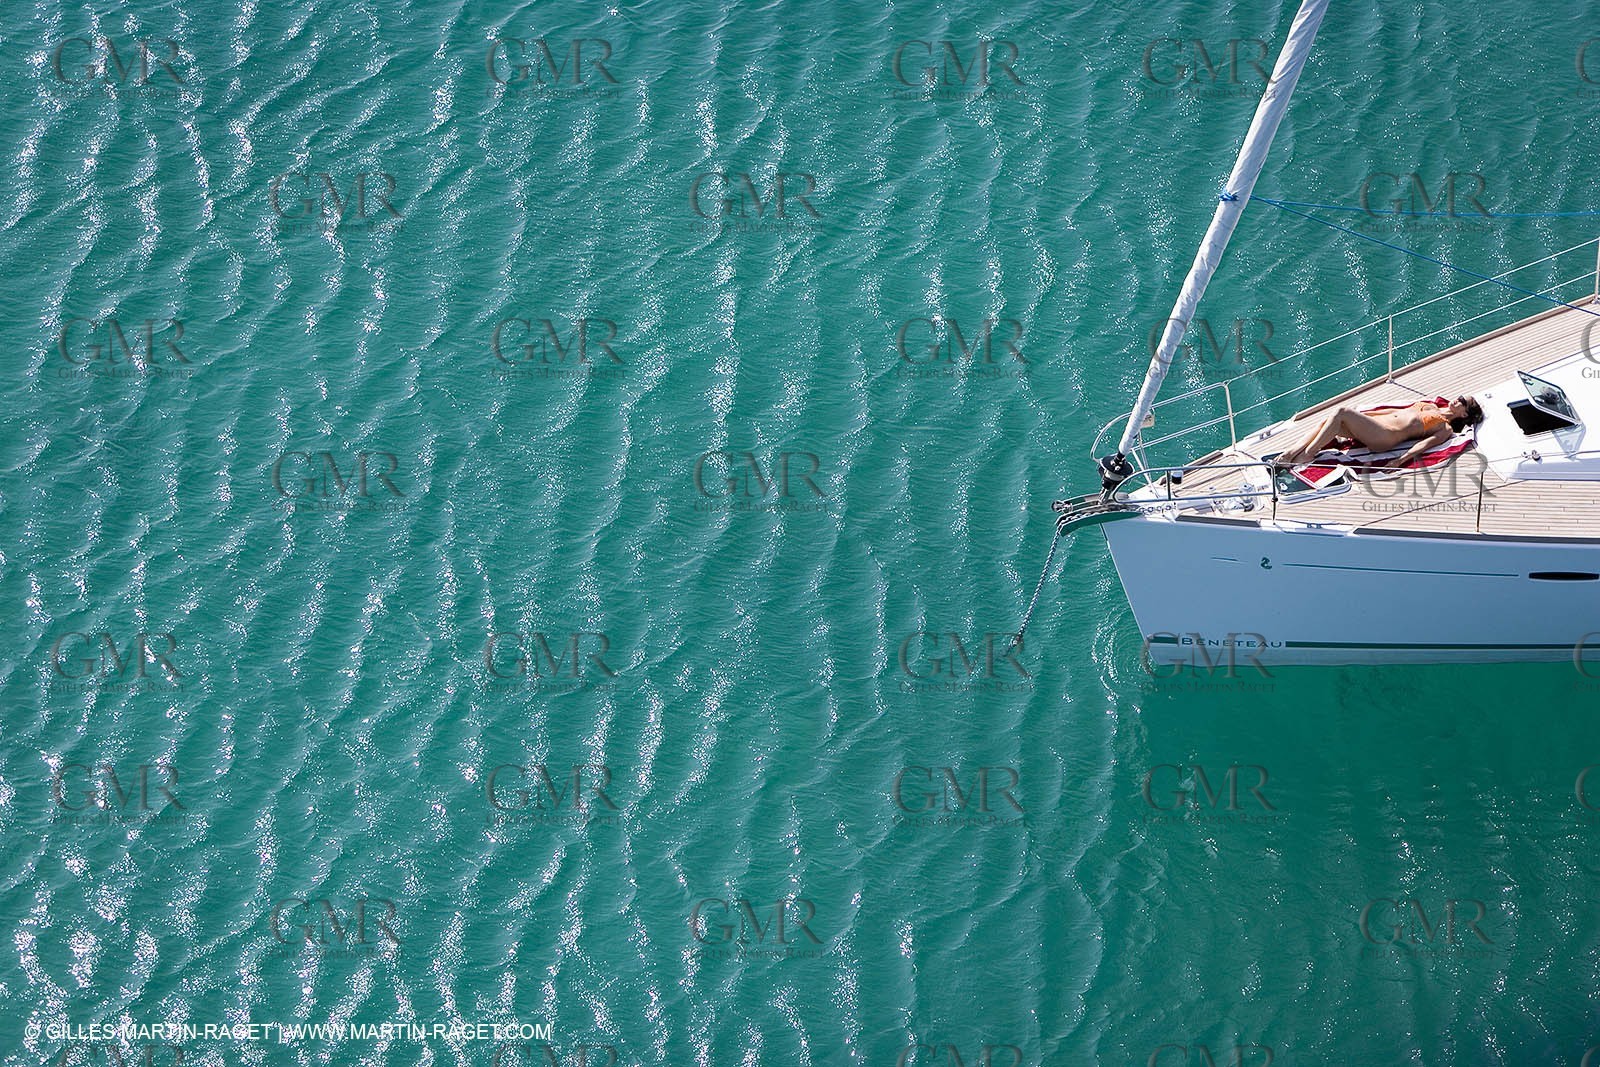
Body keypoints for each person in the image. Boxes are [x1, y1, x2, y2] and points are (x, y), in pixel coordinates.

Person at [1273, 395, 1484, 468]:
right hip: (1377, 426)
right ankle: (1289, 454)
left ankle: (1308, 454)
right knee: (1328, 421)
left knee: (1340, 412)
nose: (1458, 399)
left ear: (1464, 415)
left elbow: (1424, 445)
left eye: (1463, 402)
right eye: (1460, 396)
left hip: (1385, 438)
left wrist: (1401, 460)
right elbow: (1394, 411)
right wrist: (1365, 417)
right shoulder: (1432, 406)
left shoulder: (1444, 428)